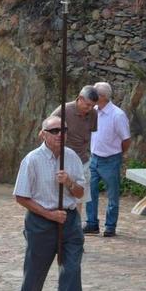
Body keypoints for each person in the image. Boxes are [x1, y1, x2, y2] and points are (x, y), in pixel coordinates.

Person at [13, 115, 91, 291]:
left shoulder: (72, 157)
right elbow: (21, 196)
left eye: (63, 130)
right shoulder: (32, 160)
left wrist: (68, 182)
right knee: (35, 271)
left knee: (71, 272)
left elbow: (81, 194)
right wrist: (49, 214)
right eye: (54, 131)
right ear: (43, 133)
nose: (60, 135)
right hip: (41, 222)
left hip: (69, 222)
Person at [84, 82, 131, 237]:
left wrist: (117, 154)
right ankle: (92, 223)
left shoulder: (117, 115)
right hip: (94, 157)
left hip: (111, 159)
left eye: (95, 94)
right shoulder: (94, 111)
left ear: (102, 97)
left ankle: (110, 226)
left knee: (112, 195)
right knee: (90, 192)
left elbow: (126, 140)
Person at [51, 85, 99, 219]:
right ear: (80, 99)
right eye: (88, 105)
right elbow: (46, 130)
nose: (90, 108)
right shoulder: (63, 110)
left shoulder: (93, 114)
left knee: (79, 197)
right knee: (59, 195)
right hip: (63, 159)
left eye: (92, 106)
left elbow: (90, 133)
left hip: (82, 160)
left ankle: (75, 227)